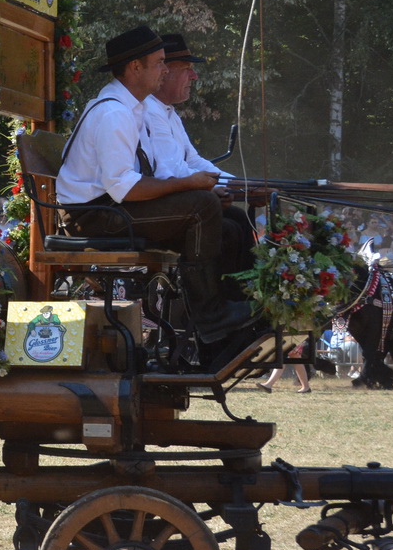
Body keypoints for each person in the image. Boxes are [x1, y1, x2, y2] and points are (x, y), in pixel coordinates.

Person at [56, 24, 254, 344]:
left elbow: (150, 175)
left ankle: (231, 322)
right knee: (203, 207)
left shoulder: (130, 108)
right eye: (160, 62)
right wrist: (190, 185)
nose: (165, 69)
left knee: (226, 218)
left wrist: (202, 185)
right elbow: (123, 187)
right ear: (135, 67)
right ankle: (210, 317)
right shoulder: (115, 113)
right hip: (90, 217)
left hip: (108, 208)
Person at [142, 33, 255, 286]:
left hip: (169, 201)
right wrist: (220, 188)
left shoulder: (168, 113)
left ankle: (242, 298)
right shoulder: (149, 111)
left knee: (237, 218)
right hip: (153, 207)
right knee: (228, 229)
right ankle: (211, 303)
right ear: (165, 71)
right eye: (187, 69)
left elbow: (193, 161)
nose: (194, 76)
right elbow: (170, 170)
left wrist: (241, 185)